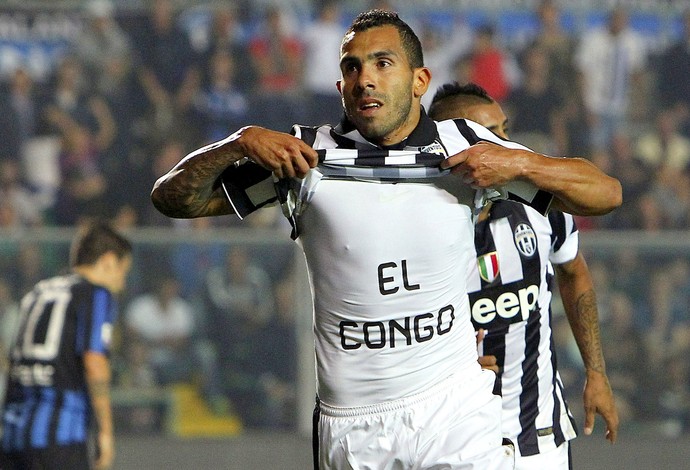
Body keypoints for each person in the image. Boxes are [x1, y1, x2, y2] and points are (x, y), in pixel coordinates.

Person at [151, 9, 621, 469]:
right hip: (354, 425)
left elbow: (606, 194)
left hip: (453, 407)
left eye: (382, 63)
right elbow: (175, 200)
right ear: (340, 87)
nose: (365, 79)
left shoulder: (463, 144)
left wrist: (520, 164)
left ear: (420, 80)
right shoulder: (305, 158)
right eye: (351, 67)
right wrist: (236, 143)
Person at [428, 82, 619, 469]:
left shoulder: (539, 205)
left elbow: (575, 272)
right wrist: (450, 367)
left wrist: (595, 372)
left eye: (504, 130)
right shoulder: (421, 226)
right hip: (452, 439)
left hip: (540, 438)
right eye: (489, 135)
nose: (505, 145)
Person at [0, 221, 133, 470]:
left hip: (13, 436)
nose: (122, 283)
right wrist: (105, 432)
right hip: (60, 437)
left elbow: (14, 361)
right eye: (122, 272)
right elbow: (94, 361)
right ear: (108, 261)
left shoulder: (36, 293)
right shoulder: (96, 294)